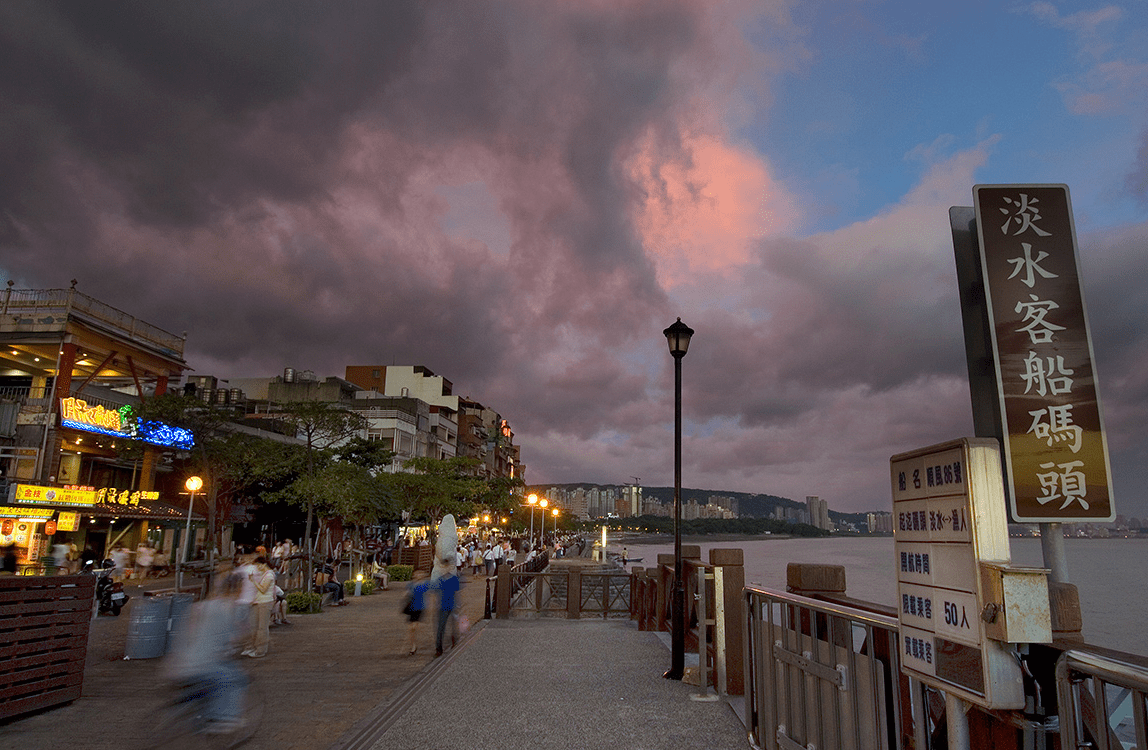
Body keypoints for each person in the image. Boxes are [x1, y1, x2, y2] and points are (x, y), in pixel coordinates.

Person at [163, 574, 249, 733]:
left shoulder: (200, 606)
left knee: (208, 683)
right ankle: (224, 719)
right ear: (236, 590)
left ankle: (200, 711)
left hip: (178, 663)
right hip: (203, 665)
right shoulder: (226, 610)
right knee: (235, 678)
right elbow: (230, 640)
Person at [242, 556, 275, 658]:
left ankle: (261, 650)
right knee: (254, 625)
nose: (257, 568)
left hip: (265, 602)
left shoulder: (269, 575)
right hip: (258, 602)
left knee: (262, 628)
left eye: (258, 566)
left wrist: (253, 581)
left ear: (263, 564)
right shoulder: (264, 574)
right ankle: (253, 647)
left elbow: (263, 589)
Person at [425, 569, 460, 657]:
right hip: (444, 606)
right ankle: (440, 647)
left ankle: (443, 646)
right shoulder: (443, 579)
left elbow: (456, 592)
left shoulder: (443, 579)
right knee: (442, 627)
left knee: (443, 627)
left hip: (448, 606)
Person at [404, 581, 426, 655]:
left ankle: (414, 646)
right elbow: (406, 595)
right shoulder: (410, 585)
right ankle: (413, 645)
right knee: (411, 629)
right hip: (412, 609)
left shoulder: (424, 584)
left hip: (420, 609)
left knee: (414, 628)